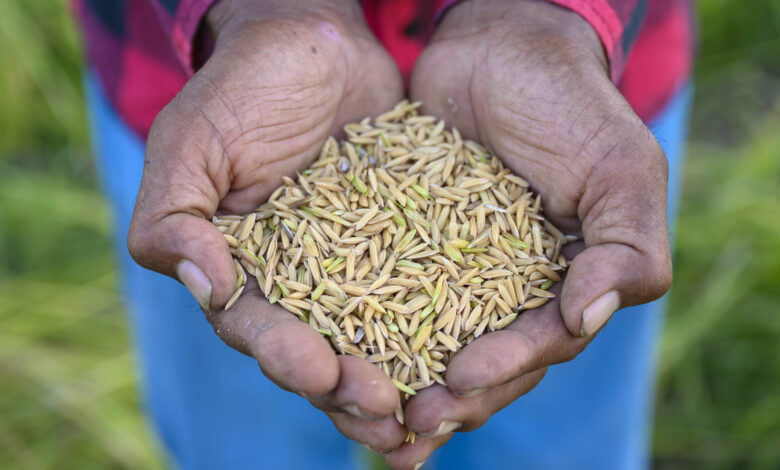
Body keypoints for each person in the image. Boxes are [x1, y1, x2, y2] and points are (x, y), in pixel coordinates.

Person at [75, 0, 693, 468]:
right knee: (243, 439)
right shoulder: (252, 209)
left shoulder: (539, 221)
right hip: (219, 114)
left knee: (558, 443)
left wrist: (542, 14)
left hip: (575, 98)